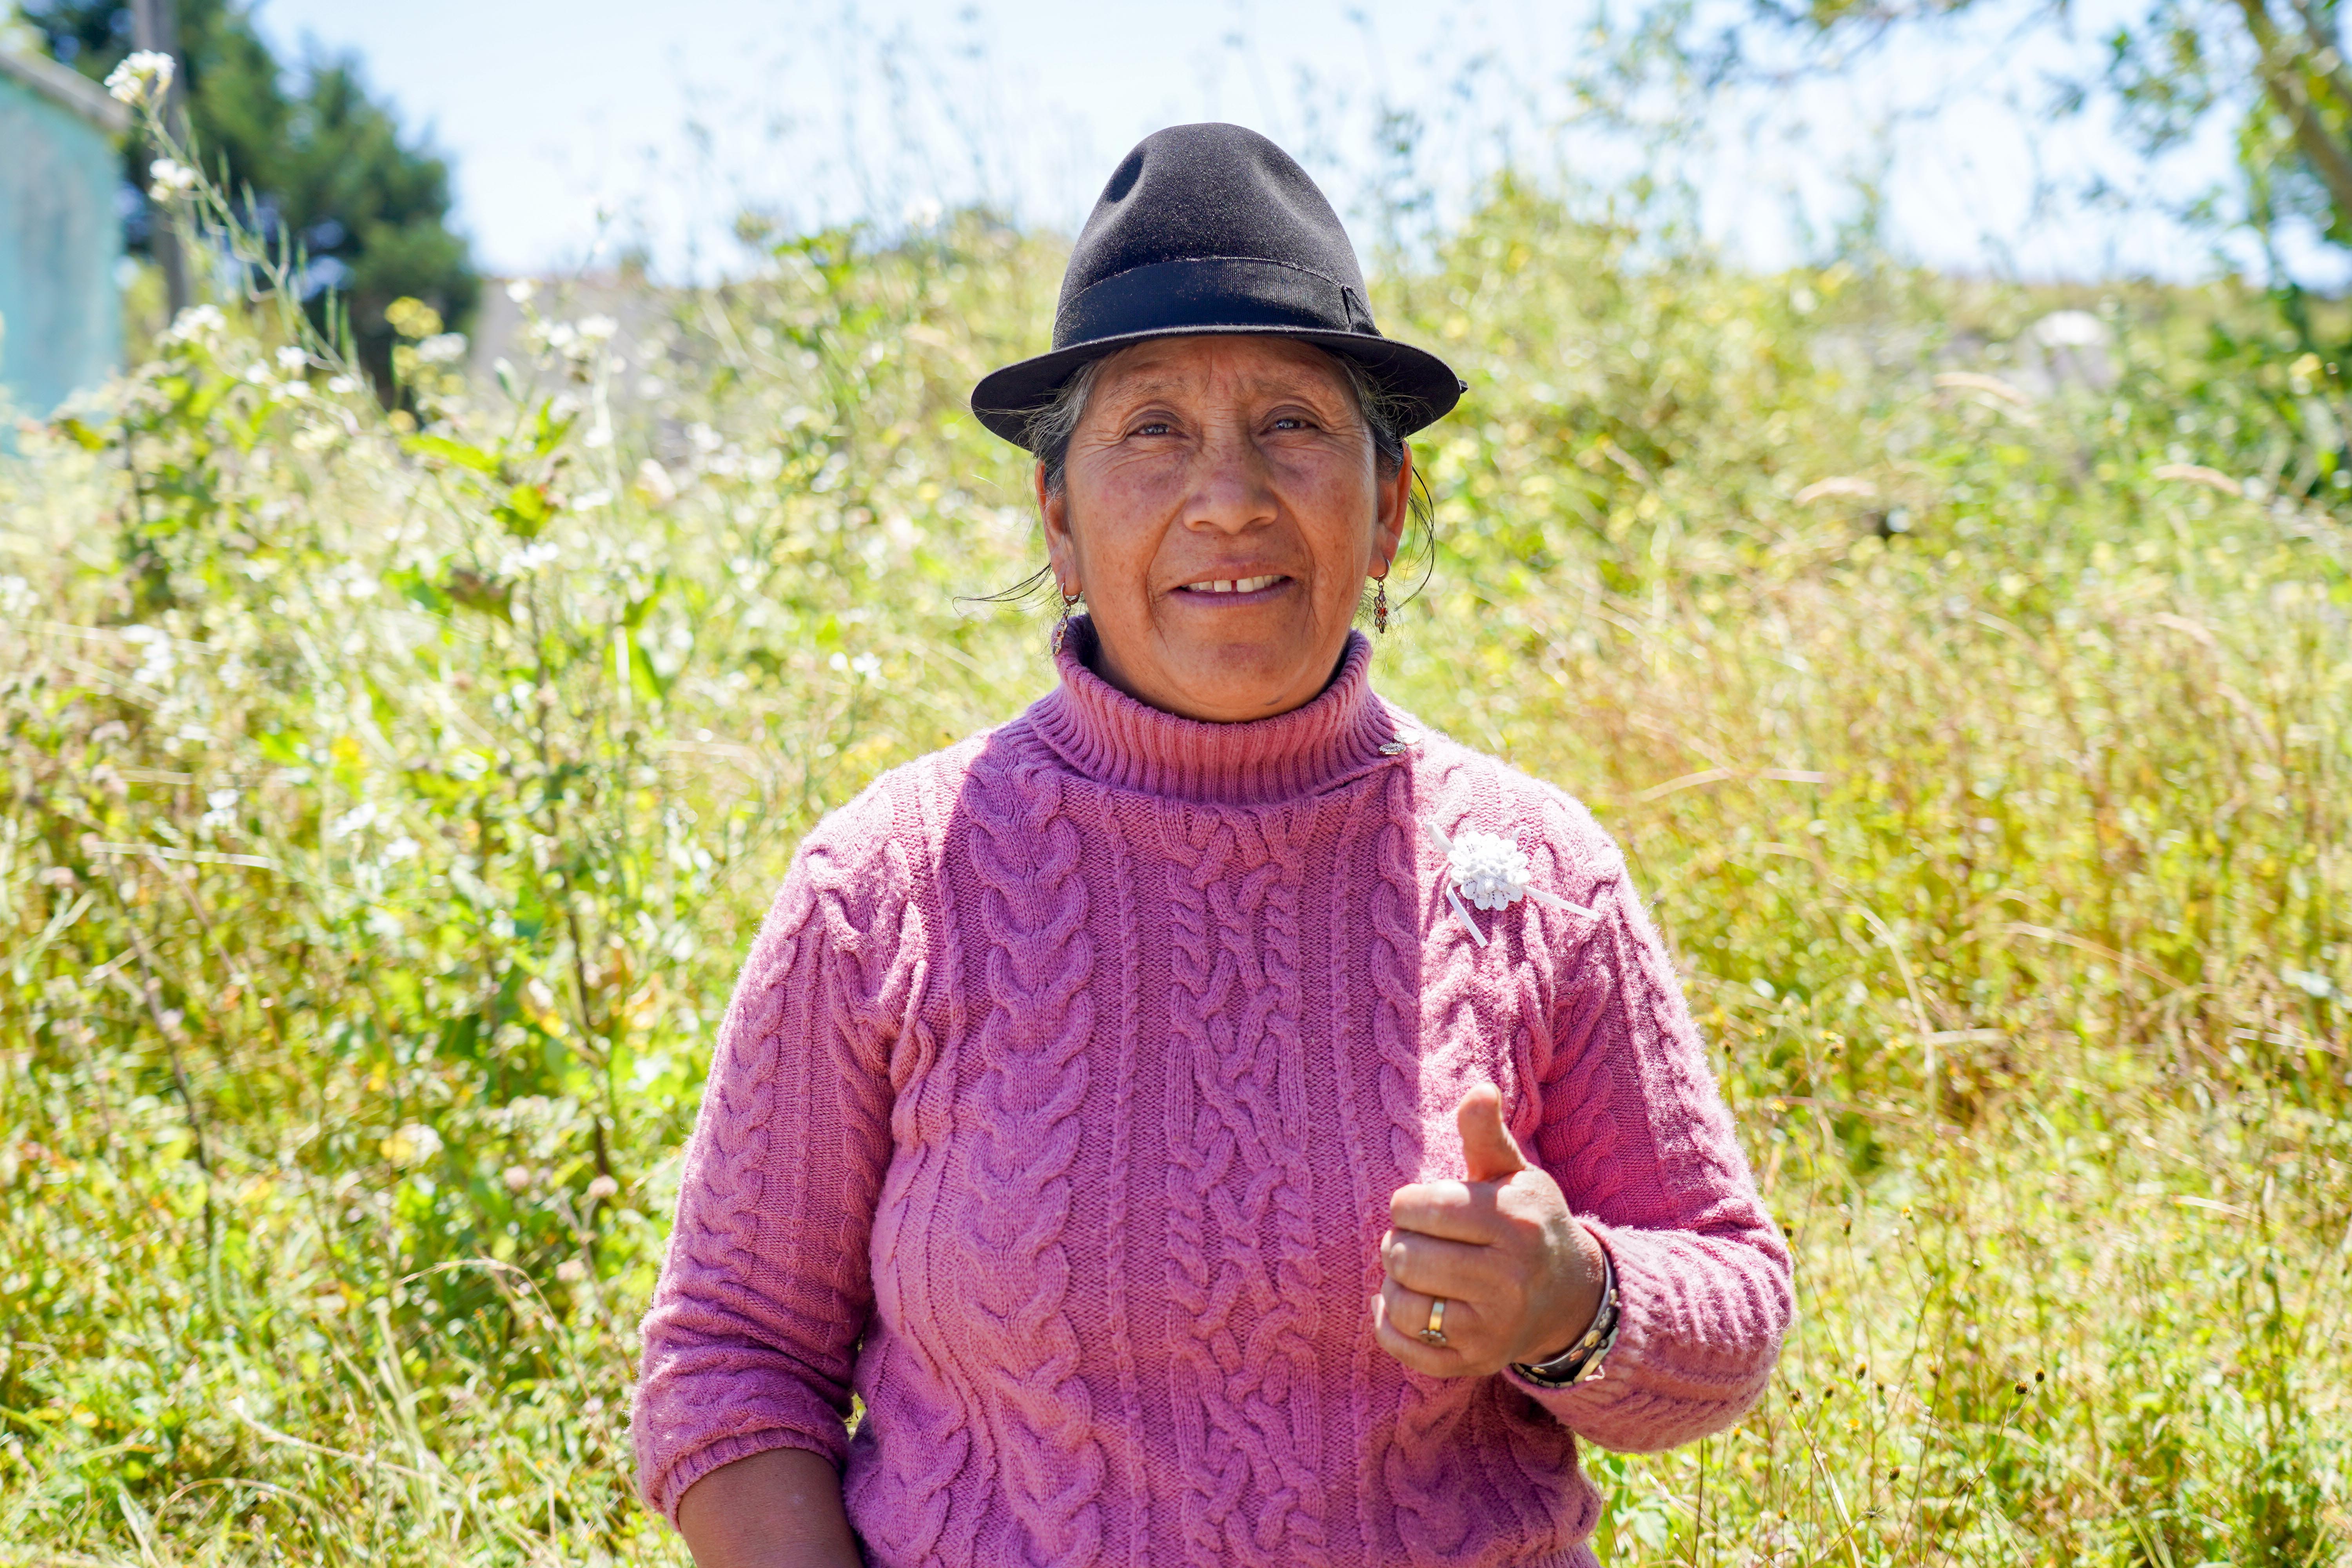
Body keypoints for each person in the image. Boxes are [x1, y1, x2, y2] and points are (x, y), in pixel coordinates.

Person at [631, 122, 1791, 1568]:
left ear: (1386, 508)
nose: (1229, 496)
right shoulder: (885, 887)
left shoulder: (1534, 872)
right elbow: (731, 1362)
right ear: (1059, 519)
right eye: (1154, 431)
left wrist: (1574, 1299)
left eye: (1293, 425)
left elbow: (1735, 1300)